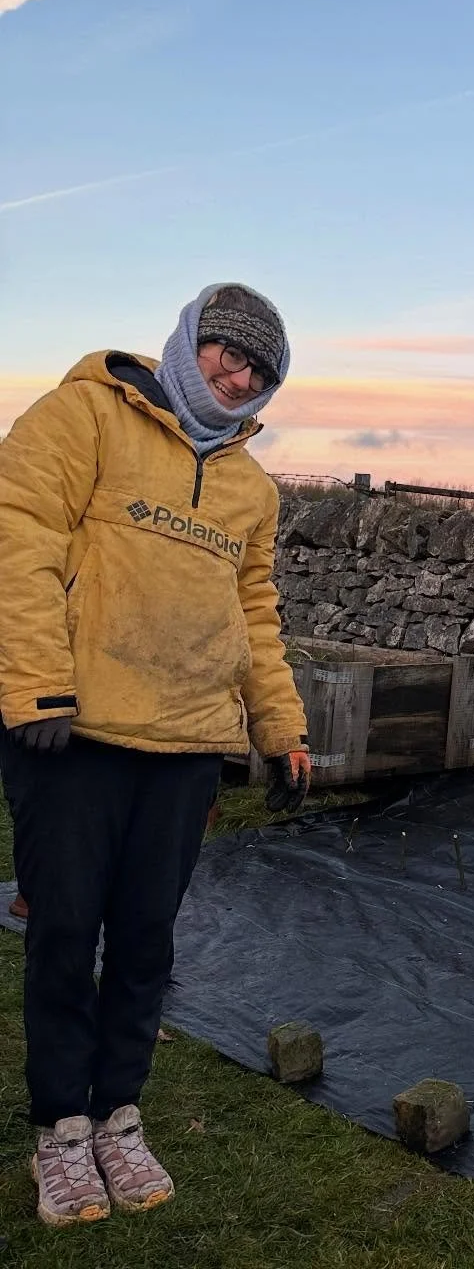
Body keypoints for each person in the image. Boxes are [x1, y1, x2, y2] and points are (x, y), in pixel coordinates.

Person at [0, 284, 312, 1227]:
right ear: (188, 341)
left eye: (258, 370)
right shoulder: (84, 413)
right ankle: (60, 1130)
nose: (237, 375)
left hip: (184, 745)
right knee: (62, 933)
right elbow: (19, 541)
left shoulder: (252, 490)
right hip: (75, 733)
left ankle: (116, 1115)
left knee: (145, 942)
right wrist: (35, 684)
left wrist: (282, 728)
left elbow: (254, 615)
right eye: (226, 351)